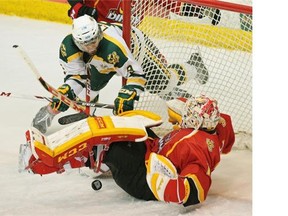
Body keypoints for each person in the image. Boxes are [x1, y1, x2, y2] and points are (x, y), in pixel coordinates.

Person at [20, 94, 235, 207]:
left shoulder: (196, 148)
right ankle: (100, 159)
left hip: (145, 180)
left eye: (189, 114)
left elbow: (197, 189)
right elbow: (226, 132)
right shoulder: (216, 124)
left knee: (114, 148)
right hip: (152, 152)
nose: (185, 114)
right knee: (129, 128)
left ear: (196, 121)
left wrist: (166, 186)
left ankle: (49, 164)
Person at [32, 15, 209, 133]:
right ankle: (86, 113)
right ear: (76, 40)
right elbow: (76, 78)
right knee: (89, 86)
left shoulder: (111, 46)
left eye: (93, 41)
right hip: (102, 63)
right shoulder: (68, 47)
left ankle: (193, 66)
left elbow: (136, 73)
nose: (90, 47)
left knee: (164, 82)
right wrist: (62, 96)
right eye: (85, 44)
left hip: (137, 51)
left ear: (99, 34)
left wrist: (128, 94)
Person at [67, 0, 221, 26]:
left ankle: (192, 67)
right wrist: (79, 8)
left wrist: (203, 10)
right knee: (90, 78)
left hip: (131, 39)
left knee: (156, 74)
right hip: (100, 34)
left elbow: (173, 4)